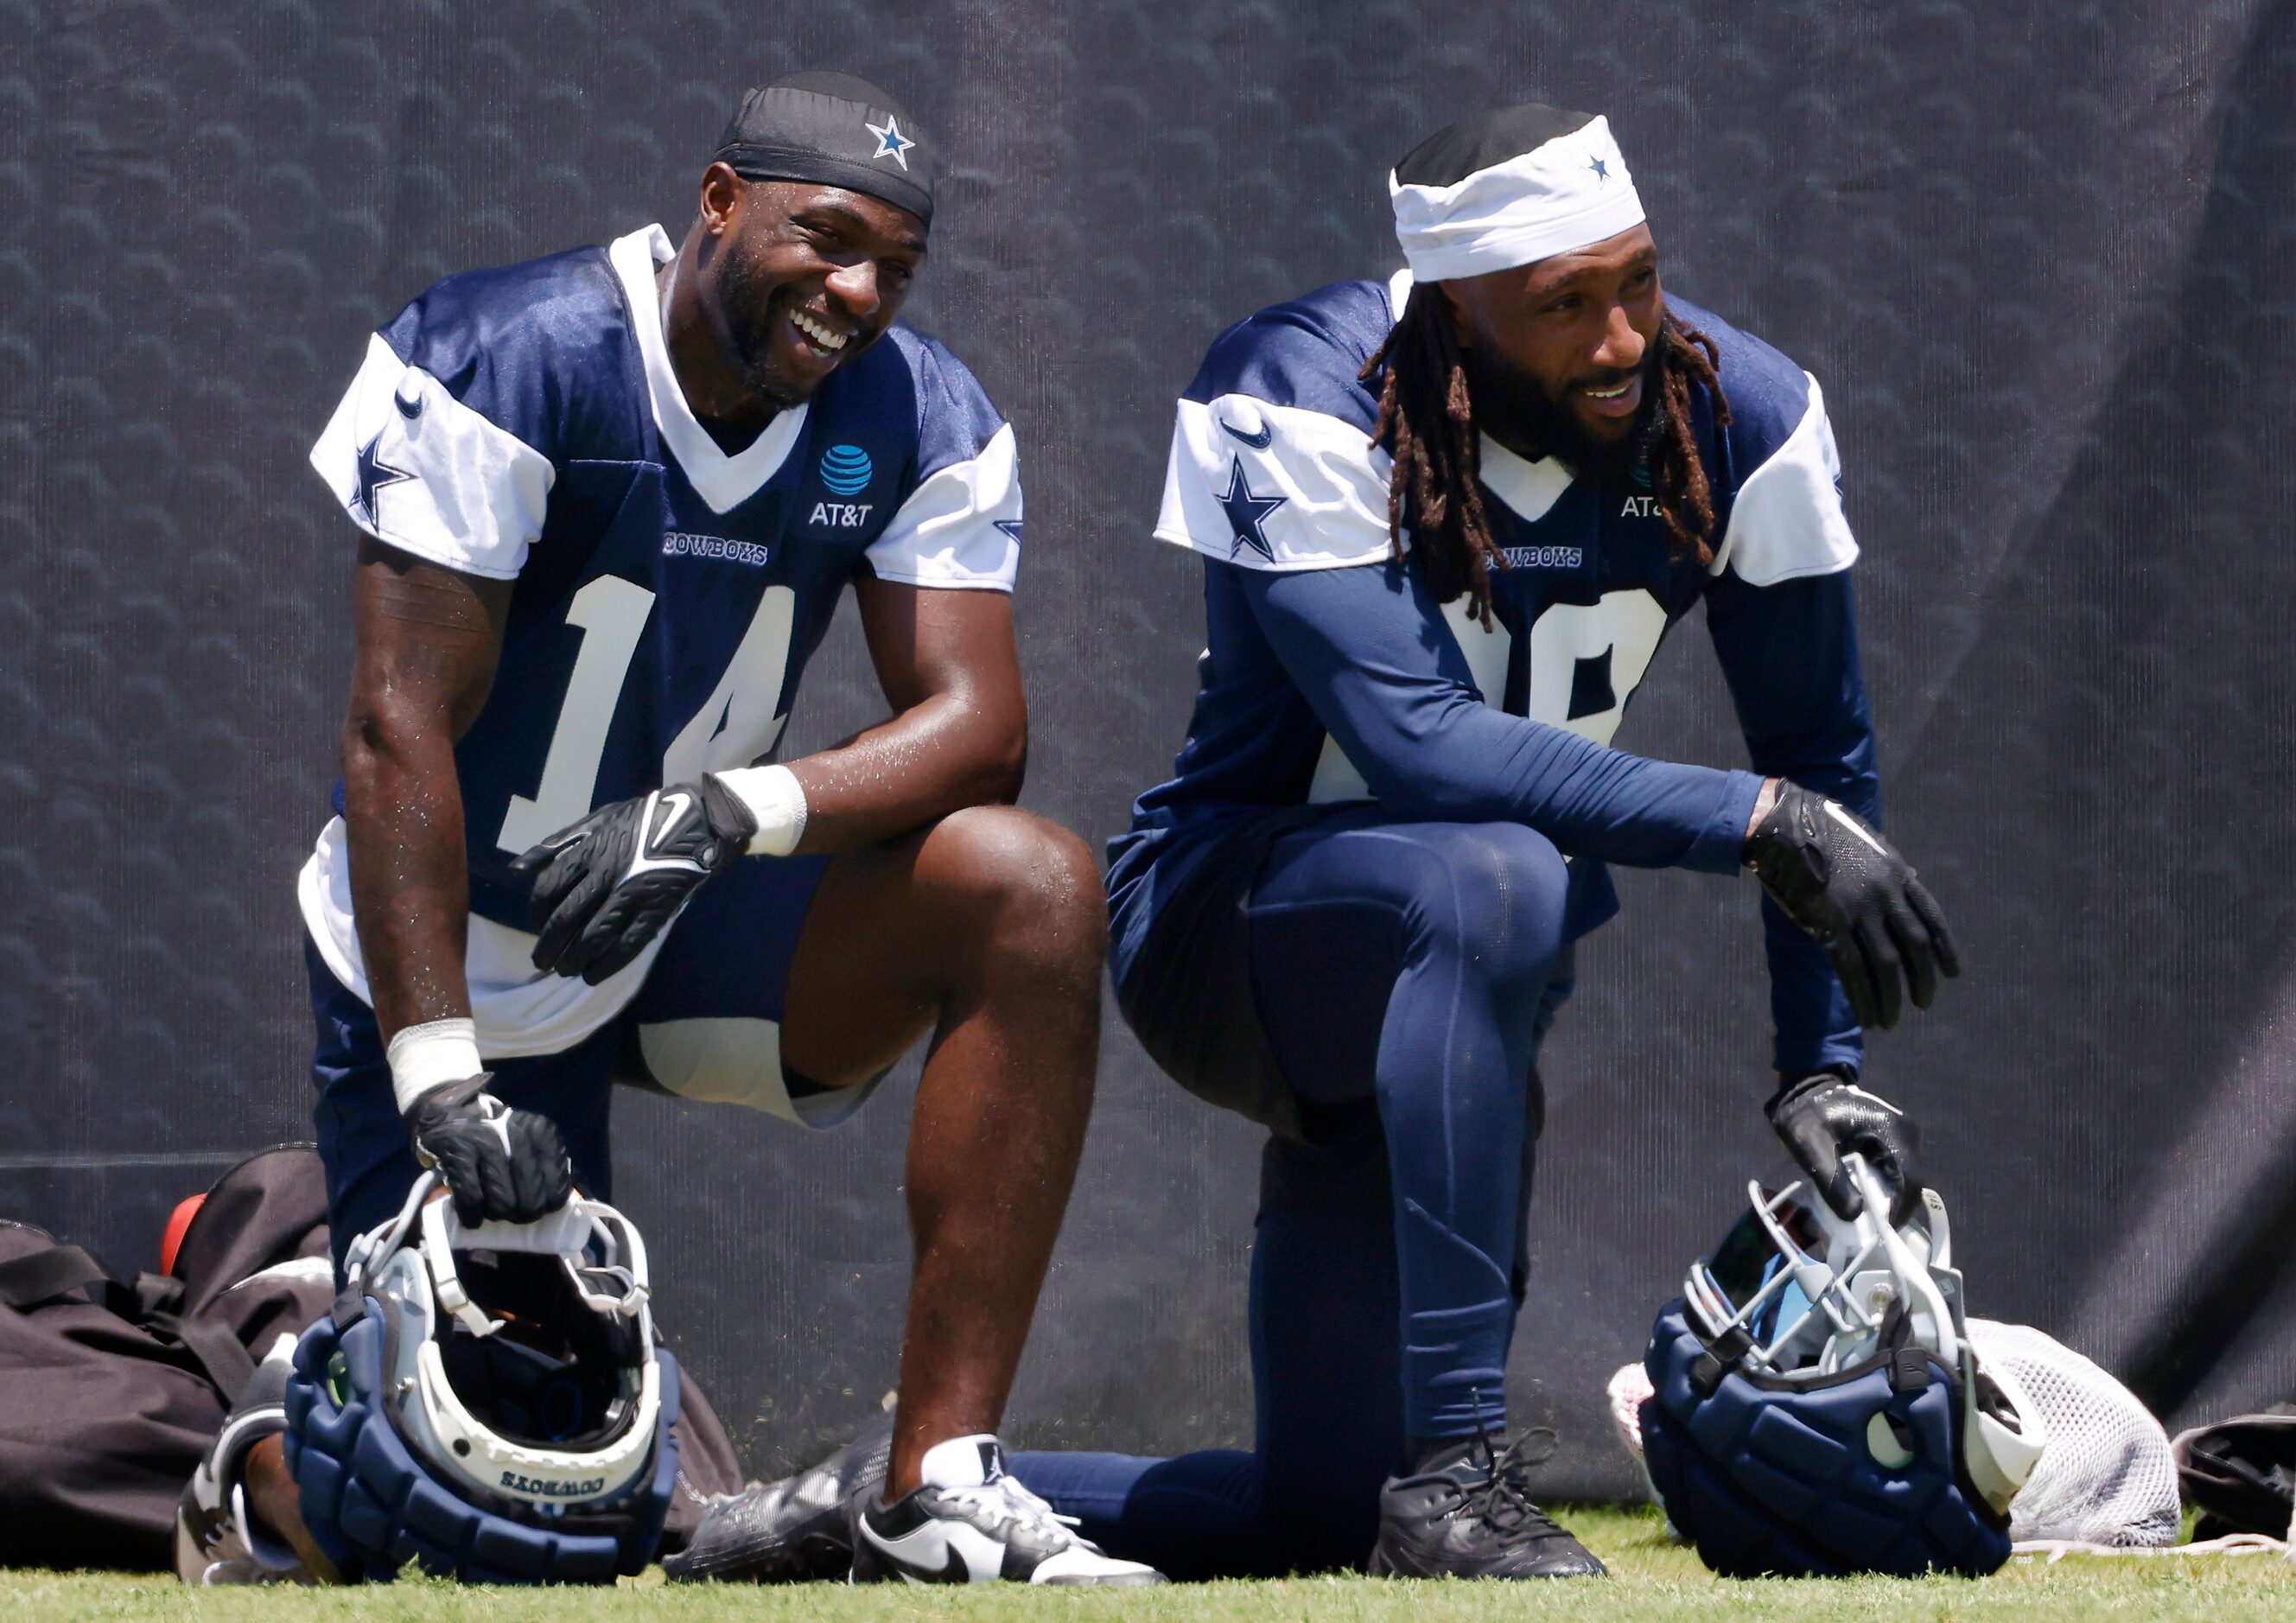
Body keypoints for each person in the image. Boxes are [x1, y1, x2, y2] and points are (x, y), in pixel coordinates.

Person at [1002, 101, 1960, 1579]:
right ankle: (1456, 1468)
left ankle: (893, 1489)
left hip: (1464, 991)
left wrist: (1819, 1061)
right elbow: (1414, 742)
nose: (1620, 337)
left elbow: (1814, 751)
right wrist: (1753, 821)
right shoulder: (1300, 387)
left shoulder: (1739, 412)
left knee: (1306, 1516)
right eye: (1560, 306)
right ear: (1452, 310)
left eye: (1634, 279)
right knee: (1506, 862)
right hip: (1239, 928)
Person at [276, 71, 1155, 1587]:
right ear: (719, 200)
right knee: (487, 1501)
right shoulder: (514, 353)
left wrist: (726, 810)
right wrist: (440, 1078)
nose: (857, 292)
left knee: (1030, 885)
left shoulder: (917, 410)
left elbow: (979, 727)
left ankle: (937, 1479)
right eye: (825, 238)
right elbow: (392, 726)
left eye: (895, 264)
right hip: (449, 945)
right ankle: (258, 1468)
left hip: (671, 917)